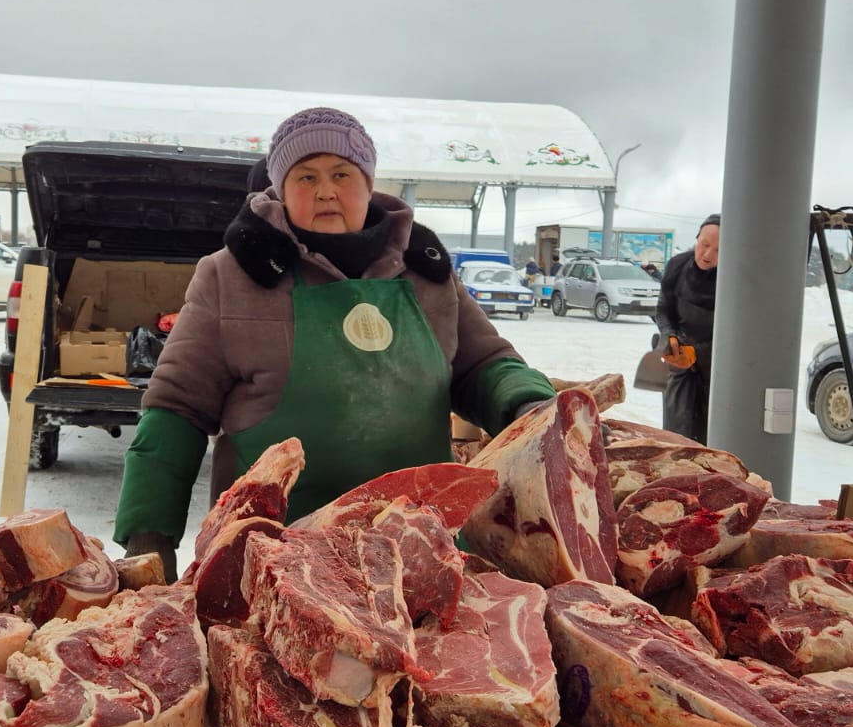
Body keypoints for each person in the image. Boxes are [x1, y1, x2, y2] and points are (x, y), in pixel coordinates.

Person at [114, 106, 556, 578]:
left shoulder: (425, 270)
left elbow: (483, 364)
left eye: (341, 174)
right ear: (280, 190)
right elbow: (176, 412)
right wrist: (148, 537)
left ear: (368, 183)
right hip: (273, 562)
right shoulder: (232, 275)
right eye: (305, 177)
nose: (325, 190)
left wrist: (528, 402)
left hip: (419, 552)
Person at [654, 214, 719, 443]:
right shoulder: (677, 266)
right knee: (677, 434)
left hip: (717, 369)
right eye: (704, 245)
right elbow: (663, 310)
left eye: (718, 251)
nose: (707, 255)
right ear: (697, 238)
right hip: (681, 362)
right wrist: (670, 336)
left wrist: (701, 352)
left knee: (712, 436)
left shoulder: (734, 279)